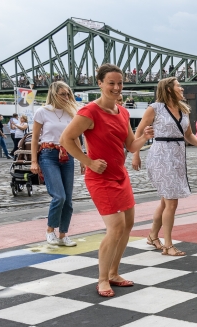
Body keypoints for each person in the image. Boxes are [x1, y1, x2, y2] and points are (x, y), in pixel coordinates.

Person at [61, 64, 154, 297]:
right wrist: (88, 161)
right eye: (111, 83)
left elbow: (130, 145)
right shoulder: (89, 112)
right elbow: (66, 139)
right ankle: (102, 279)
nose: (116, 87)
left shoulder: (122, 112)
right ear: (100, 83)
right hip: (100, 178)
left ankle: (114, 273)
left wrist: (144, 137)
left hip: (120, 175)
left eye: (120, 83)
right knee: (116, 227)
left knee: (128, 225)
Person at [133, 77, 197, 255]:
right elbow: (139, 131)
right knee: (171, 202)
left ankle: (153, 236)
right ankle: (168, 245)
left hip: (177, 157)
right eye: (178, 86)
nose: (182, 89)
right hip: (160, 156)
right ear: (168, 89)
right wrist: (135, 154)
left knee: (166, 201)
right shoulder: (155, 108)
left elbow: (188, 135)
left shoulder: (184, 110)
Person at [30, 81, 81, 247]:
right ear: (54, 94)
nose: (66, 97)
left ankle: (63, 235)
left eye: (68, 94)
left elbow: (75, 137)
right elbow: (35, 139)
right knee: (59, 196)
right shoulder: (42, 112)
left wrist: (82, 158)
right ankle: (50, 230)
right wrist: (34, 161)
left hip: (67, 155)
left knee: (68, 200)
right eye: (63, 94)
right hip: (48, 154)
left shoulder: (71, 113)